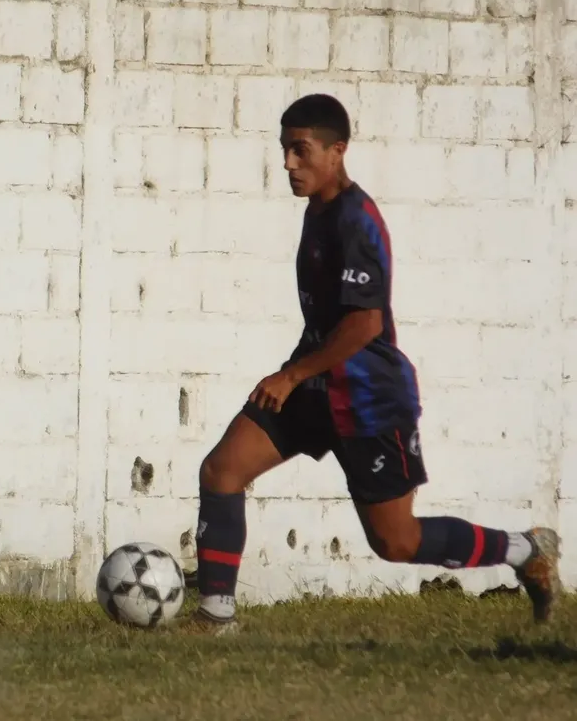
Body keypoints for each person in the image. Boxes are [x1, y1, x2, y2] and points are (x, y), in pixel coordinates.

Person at [184, 93, 559, 633]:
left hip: (367, 398)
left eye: (300, 150)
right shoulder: (318, 211)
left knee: (395, 542)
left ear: (338, 151)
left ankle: (526, 550)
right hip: (313, 386)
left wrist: (292, 374)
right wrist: (299, 375)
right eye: (284, 149)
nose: (288, 163)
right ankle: (216, 617)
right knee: (221, 471)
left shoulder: (358, 221)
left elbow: (365, 325)